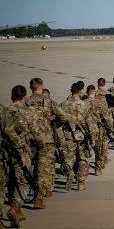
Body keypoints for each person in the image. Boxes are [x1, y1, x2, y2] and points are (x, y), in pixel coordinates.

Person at [25, 78, 74, 208]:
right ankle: (39, 197)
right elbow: (63, 116)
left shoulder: (25, 101)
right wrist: (52, 126)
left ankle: (25, 196)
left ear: (31, 87)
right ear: (42, 86)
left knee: (29, 168)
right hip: (46, 140)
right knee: (44, 170)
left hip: (28, 140)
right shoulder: (48, 102)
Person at [3, 86, 40, 227]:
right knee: (24, 182)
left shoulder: (5, 111)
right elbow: (37, 134)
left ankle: (14, 217)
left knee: (10, 182)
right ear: (24, 98)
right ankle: (16, 207)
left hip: (5, 153)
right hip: (21, 153)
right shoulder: (28, 113)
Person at [58, 82, 91, 191]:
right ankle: (81, 183)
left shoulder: (63, 104)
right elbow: (88, 122)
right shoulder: (84, 104)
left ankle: (69, 173)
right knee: (83, 159)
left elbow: (59, 120)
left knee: (68, 159)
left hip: (68, 136)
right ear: (80, 91)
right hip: (81, 136)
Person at [84, 85, 113, 176]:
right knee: (98, 150)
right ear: (94, 92)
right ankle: (97, 169)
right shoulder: (100, 102)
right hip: (98, 130)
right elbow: (106, 117)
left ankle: (83, 170)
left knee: (85, 150)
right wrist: (110, 129)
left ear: (87, 92)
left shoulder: (82, 103)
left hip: (85, 130)